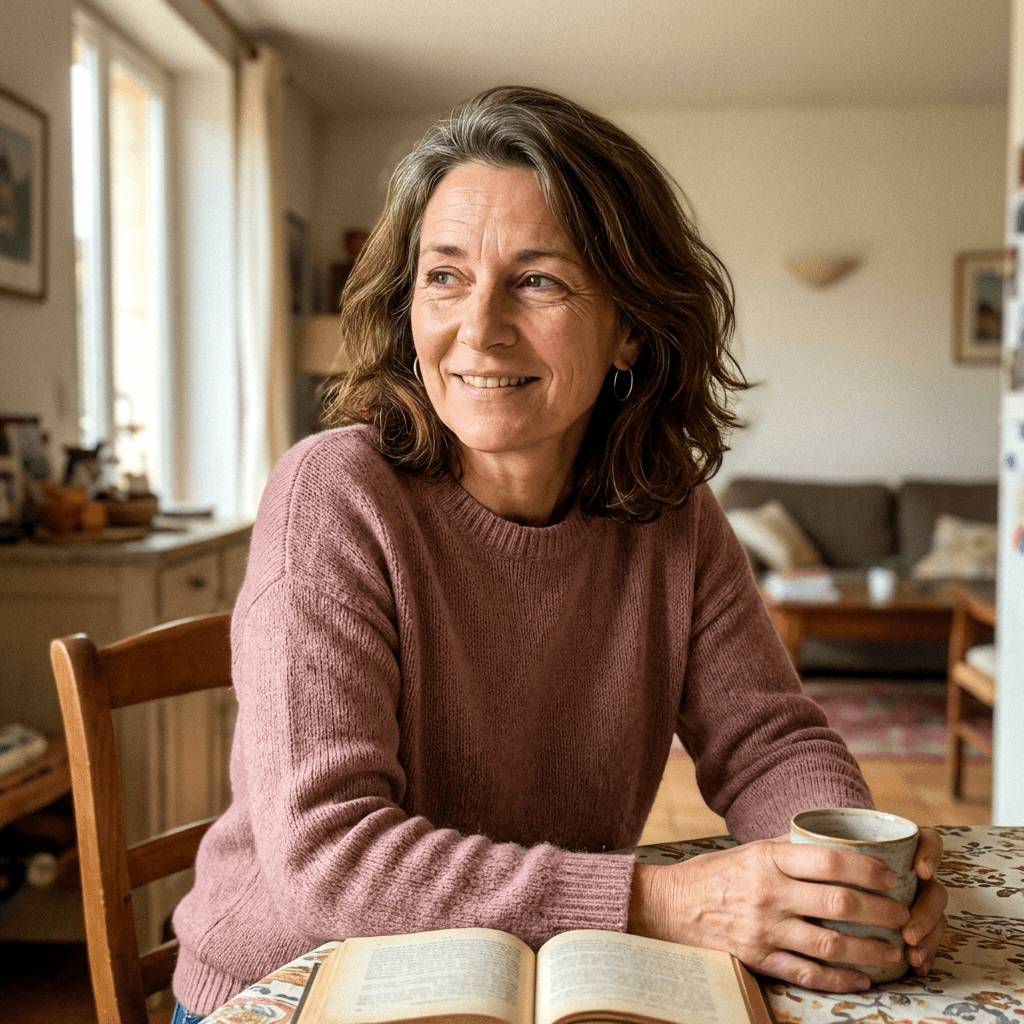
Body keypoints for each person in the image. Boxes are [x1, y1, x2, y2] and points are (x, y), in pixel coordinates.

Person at [170, 86, 946, 1021]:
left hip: (548, 983)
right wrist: (659, 901)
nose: (479, 327)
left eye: (537, 280)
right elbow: (329, 865)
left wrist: (842, 874)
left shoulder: (673, 515)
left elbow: (767, 739)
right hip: (304, 984)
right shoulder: (335, 494)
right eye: (445, 276)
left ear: (629, 324)